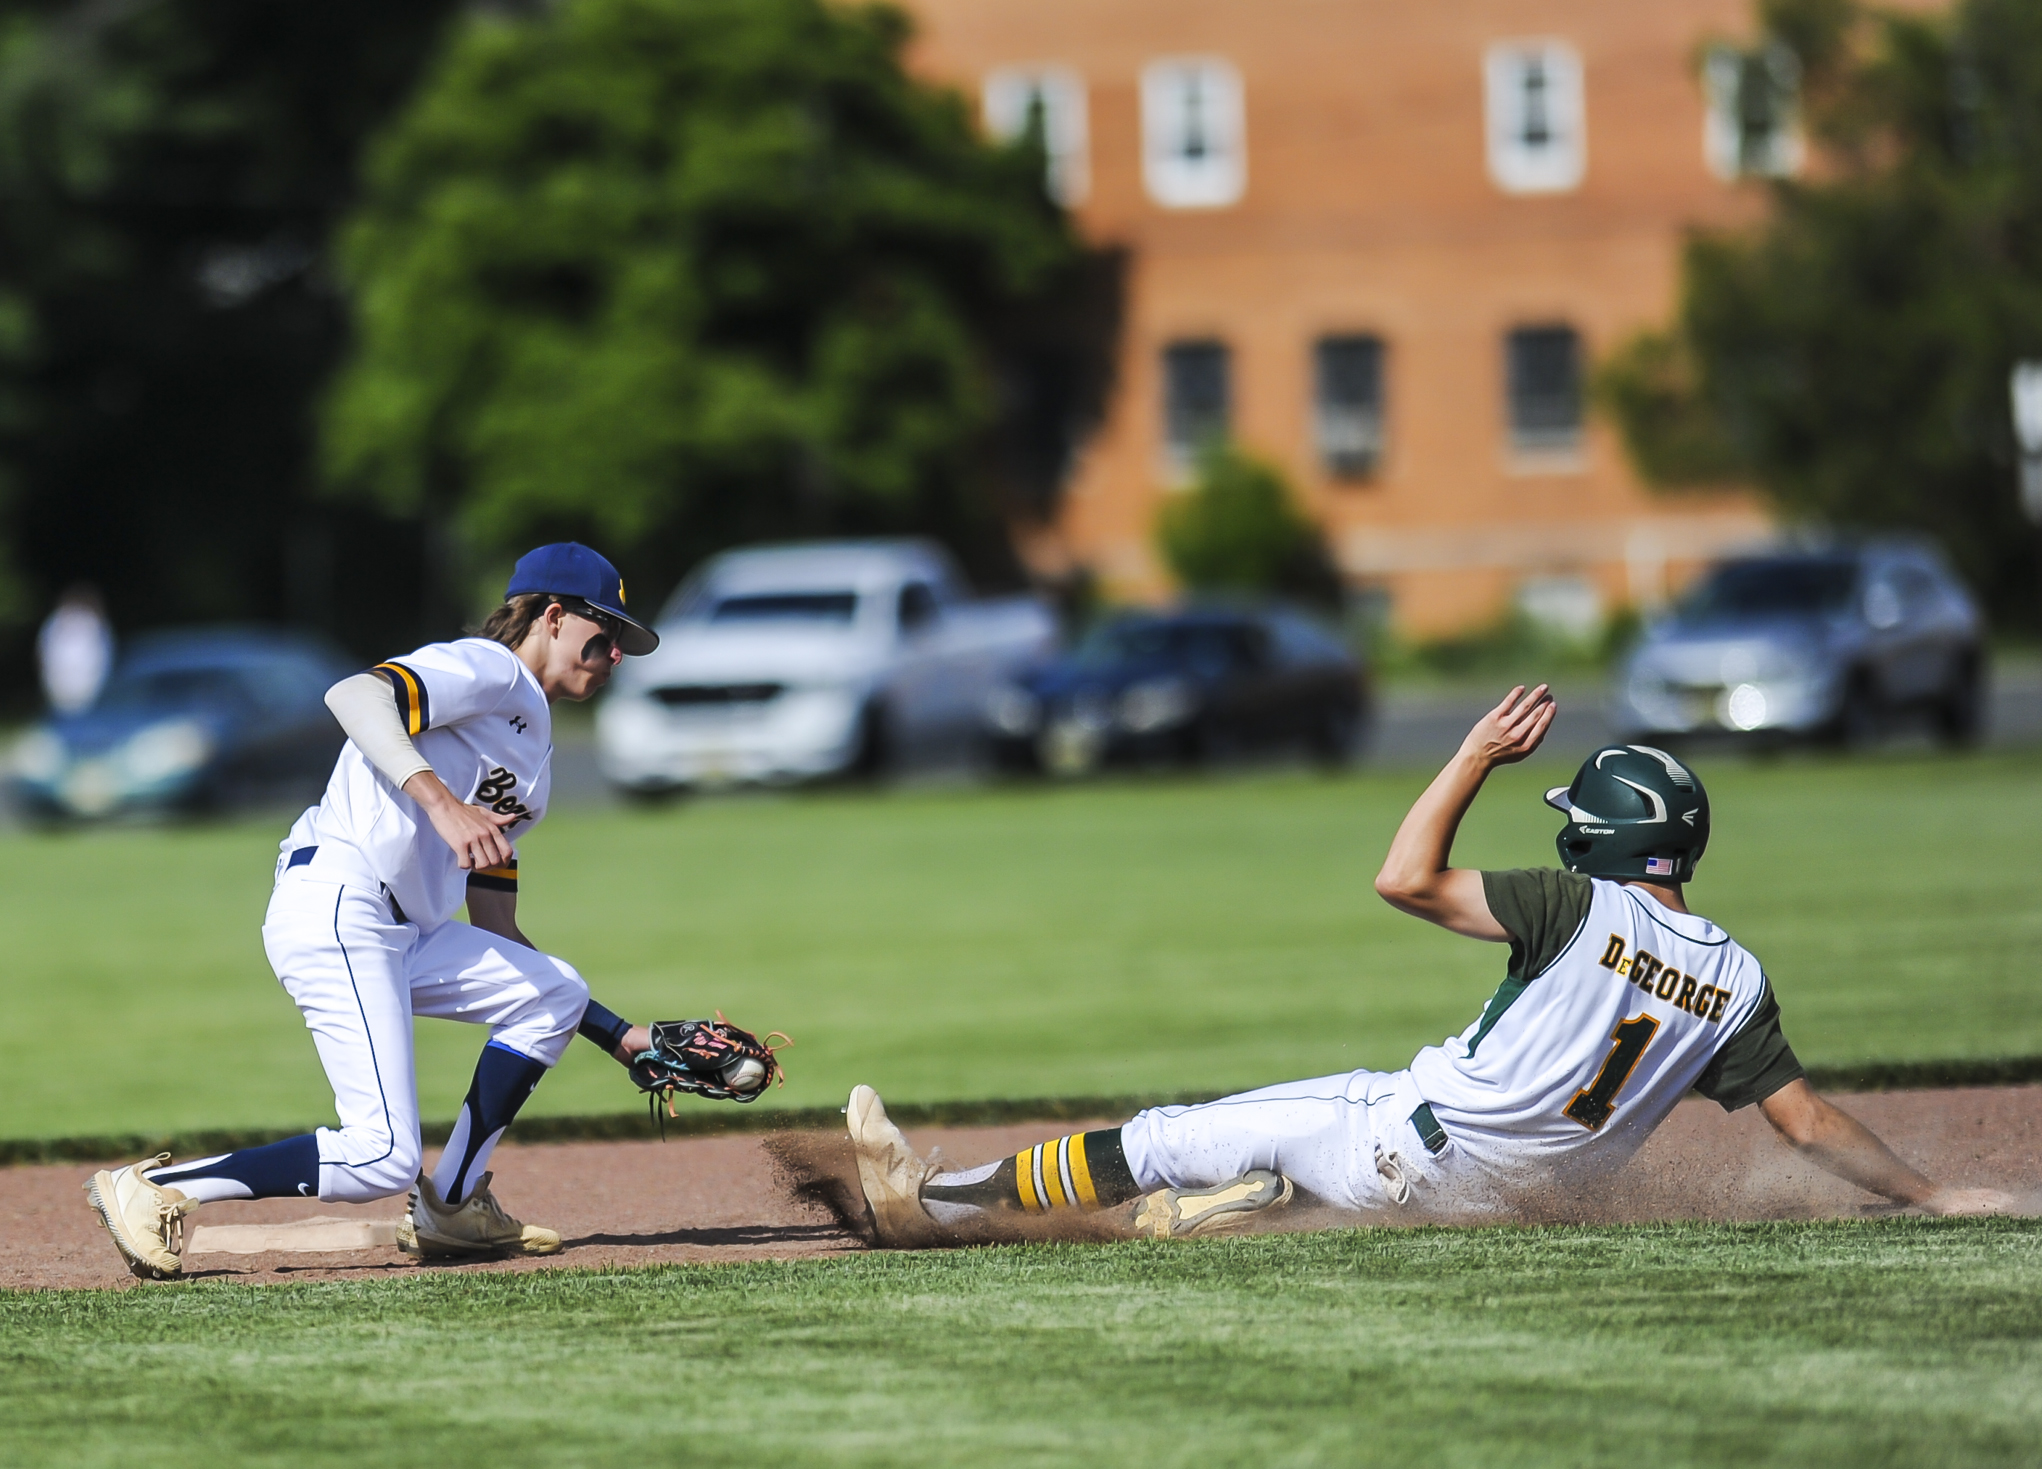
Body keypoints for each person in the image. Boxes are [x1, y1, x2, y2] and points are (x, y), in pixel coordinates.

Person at [848, 685, 2014, 1244]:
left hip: (1399, 1139)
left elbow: (1400, 876)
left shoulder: (1571, 903)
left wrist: (1468, 754)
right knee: (1297, 1182)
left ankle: (930, 1203)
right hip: (1504, 1207)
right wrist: (1930, 1194)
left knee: (1160, 1127)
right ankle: (1234, 1213)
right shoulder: (1736, 978)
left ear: (1596, 838)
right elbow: (1804, 1124)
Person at [86, 544, 680, 1280]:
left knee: (551, 989)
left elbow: (497, 926)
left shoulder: (536, 757)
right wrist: (442, 802)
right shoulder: (491, 668)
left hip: (405, 929)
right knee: (380, 1152)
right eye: (606, 634)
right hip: (342, 898)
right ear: (554, 616)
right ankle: (153, 1188)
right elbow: (353, 695)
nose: (616, 653)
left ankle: (452, 1206)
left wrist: (621, 1037)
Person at [37, 582, 113, 714]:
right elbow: (44, 653)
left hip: (89, 689)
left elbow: (104, 656)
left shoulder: (93, 623)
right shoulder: (55, 623)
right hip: (59, 688)